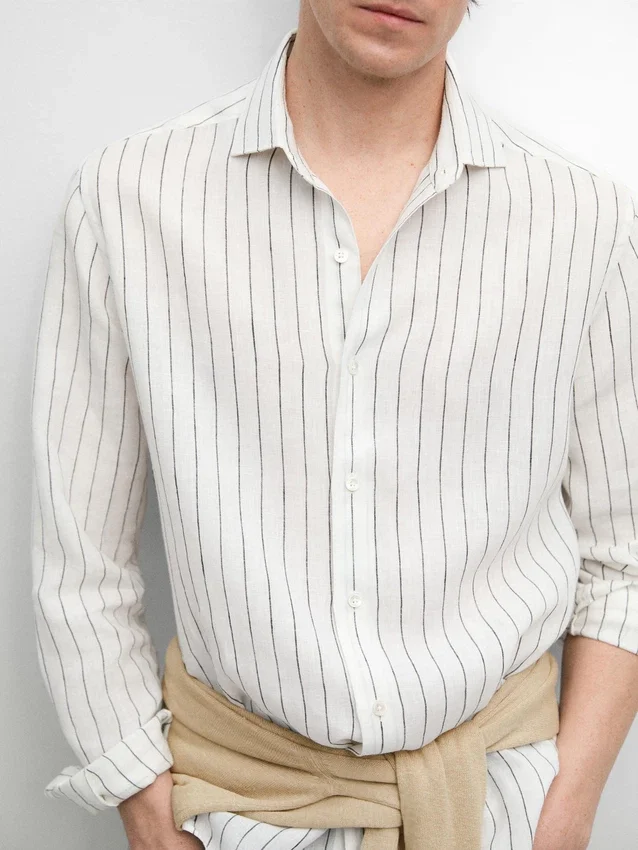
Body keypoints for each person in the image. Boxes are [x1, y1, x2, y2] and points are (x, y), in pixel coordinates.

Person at [30, 1, 638, 849]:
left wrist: (565, 816)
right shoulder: (129, 200)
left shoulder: (585, 224)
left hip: (498, 812)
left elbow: (623, 557)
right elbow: (82, 566)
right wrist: (145, 807)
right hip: (233, 815)